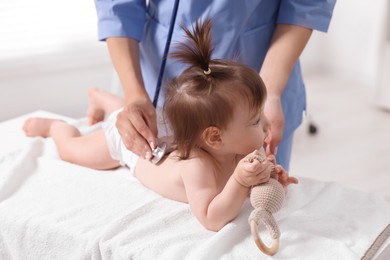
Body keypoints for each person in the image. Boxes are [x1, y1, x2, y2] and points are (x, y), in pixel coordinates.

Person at [23, 20, 297, 231]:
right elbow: (211, 218)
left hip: (160, 137)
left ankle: (101, 98)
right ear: (214, 137)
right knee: (72, 150)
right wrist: (240, 181)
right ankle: (54, 127)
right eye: (256, 120)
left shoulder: (241, 148)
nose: (266, 125)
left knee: (133, 114)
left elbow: (248, 185)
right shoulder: (197, 166)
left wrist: (269, 177)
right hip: (130, 149)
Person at [93, 0, 337, 170]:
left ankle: (96, 98)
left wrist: (268, 92)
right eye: (254, 123)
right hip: (163, 84)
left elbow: (307, 4)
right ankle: (79, 111)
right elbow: (117, 5)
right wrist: (135, 95)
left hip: (263, 68)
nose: (260, 131)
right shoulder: (194, 171)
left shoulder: (251, 127)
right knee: (89, 146)